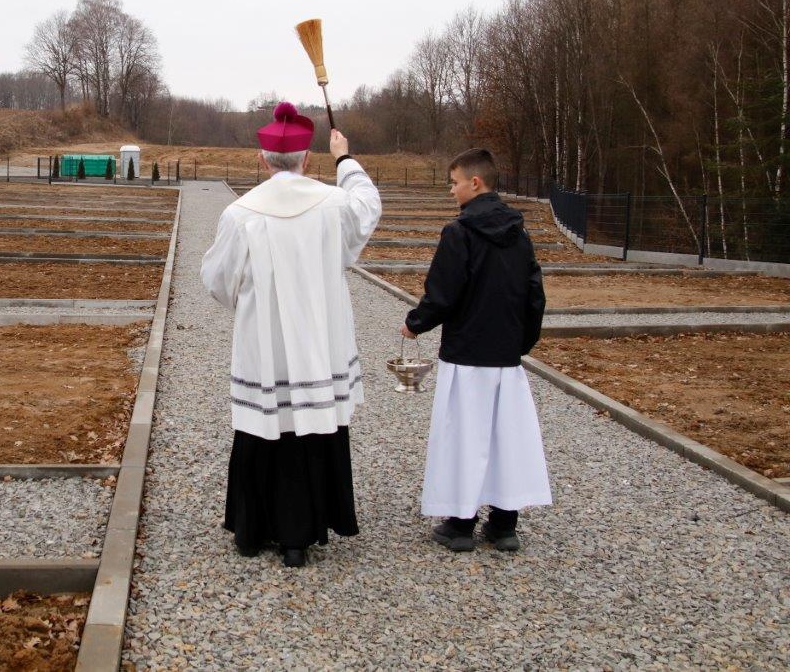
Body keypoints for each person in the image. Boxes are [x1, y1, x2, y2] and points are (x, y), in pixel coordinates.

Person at [201, 102, 382, 568]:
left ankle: (253, 530)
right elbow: (368, 206)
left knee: (267, 423)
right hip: (320, 343)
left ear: (262, 159)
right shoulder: (335, 205)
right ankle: (301, 535)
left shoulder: (240, 214)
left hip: (265, 344)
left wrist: (251, 304)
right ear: (307, 158)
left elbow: (218, 280)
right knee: (311, 424)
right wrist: (345, 159)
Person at [401, 147, 551, 552]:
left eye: (454, 183)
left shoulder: (459, 232)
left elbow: (443, 292)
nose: (451, 191)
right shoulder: (519, 234)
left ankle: (460, 524)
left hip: (467, 356)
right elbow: (534, 295)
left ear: (475, 182)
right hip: (505, 358)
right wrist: (519, 344)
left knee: (463, 437)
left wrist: (415, 324)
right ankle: (504, 525)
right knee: (506, 439)